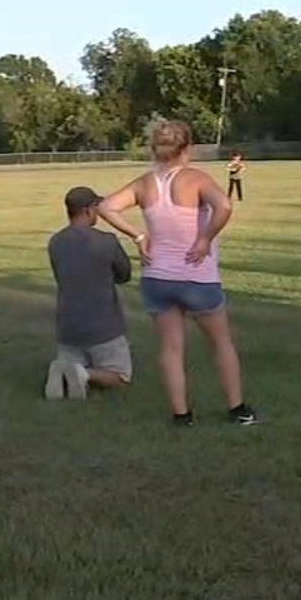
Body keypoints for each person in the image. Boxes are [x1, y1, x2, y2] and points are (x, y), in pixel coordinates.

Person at [96, 119, 259, 427]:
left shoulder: (144, 183)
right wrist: (205, 238)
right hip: (197, 276)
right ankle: (238, 409)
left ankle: (181, 415)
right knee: (221, 343)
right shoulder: (195, 178)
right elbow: (224, 206)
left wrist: (138, 235)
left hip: (157, 277)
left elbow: (106, 207)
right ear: (187, 148)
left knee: (171, 349)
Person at [45, 186, 136, 400]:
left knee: (74, 358)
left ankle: (67, 370)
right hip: (103, 327)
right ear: (88, 210)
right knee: (121, 377)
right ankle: (83, 374)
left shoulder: (56, 242)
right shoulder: (106, 241)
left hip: (68, 328)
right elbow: (124, 275)